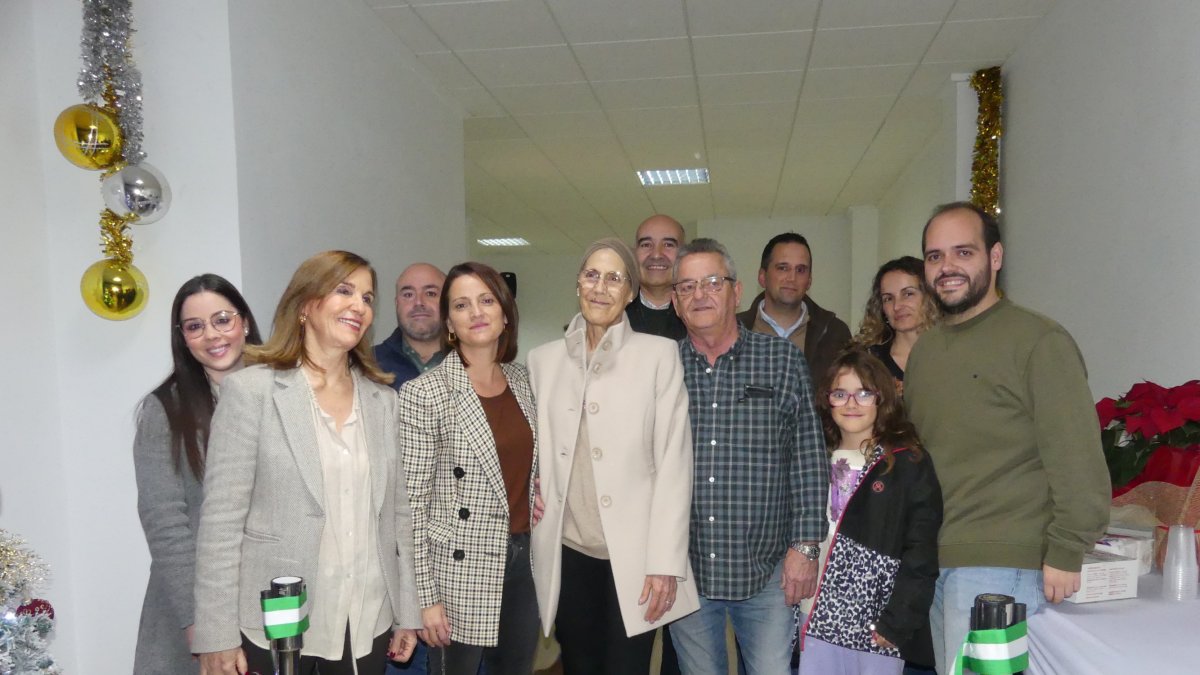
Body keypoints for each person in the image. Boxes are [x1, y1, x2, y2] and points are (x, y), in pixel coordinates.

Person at [903, 202, 1110, 673]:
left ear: (995, 257)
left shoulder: (1038, 341)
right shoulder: (926, 350)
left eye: (963, 252)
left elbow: (1076, 456)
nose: (947, 267)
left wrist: (1067, 548)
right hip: (936, 561)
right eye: (934, 257)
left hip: (1002, 566)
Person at [193, 250, 421, 675]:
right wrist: (215, 635)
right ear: (305, 305)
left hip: (366, 617)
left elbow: (399, 517)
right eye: (344, 291)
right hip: (277, 621)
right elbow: (221, 525)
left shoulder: (382, 401)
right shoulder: (252, 393)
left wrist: (408, 610)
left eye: (368, 298)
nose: (359, 305)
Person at [527, 238, 699, 674]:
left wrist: (664, 564)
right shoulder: (541, 361)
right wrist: (530, 487)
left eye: (614, 278)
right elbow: (530, 447)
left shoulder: (658, 356)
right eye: (591, 275)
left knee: (626, 667)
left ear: (629, 294)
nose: (600, 288)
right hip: (567, 552)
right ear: (578, 285)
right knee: (580, 666)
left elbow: (674, 465)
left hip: (635, 558)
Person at [667, 238, 829, 675]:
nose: (700, 295)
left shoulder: (781, 361)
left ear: (736, 293)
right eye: (687, 287)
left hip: (768, 573)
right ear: (676, 303)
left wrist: (805, 548)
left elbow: (808, 459)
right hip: (687, 571)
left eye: (712, 282)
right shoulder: (663, 368)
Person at [399, 262, 539, 675]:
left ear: (504, 312)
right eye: (461, 305)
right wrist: (426, 598)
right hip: (458, 571)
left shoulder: (525, 380)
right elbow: (411, 507)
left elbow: (531, 461)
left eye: (486, 300)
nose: (476, 312)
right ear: (450, 323)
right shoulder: (425, 393)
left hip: (524, 560)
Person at [133, 274, 262, 675]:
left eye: (222, 319)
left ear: (243, 322)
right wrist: (198, 622)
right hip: (196, 604)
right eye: (195, 326)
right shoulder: (164, 410)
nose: (212, 335)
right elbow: (166, 524)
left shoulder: (283, 394)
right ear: (183, 338)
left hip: (270, 599)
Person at [798, 349, 942, 675]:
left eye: (864, 393)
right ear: (827, 400)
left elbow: (920, 552)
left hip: (876, 620)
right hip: (815, 607)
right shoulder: (813, 458)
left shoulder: (907, 463)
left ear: (882, 399)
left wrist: (899, 619)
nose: (851, 403)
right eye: (840, 394)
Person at [737, 232, 851, 381]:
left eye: (801, 270)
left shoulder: (835, 333)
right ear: (762, 277)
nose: (792, 278)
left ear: (809, 281)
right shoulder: (734, 329)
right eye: (783, 268)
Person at [853, 256, 939, 387]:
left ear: (930, 296)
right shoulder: (868, 362)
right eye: (888, 298)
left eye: (908, 294)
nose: (897, 306)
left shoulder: (951, 355)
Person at [376, 263, 449, 391]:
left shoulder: (471, 360)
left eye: (430, 293)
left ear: (448, 302)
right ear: (396, 304)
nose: (418, 302)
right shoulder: (369, 365)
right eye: (408, 295)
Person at [625, 214, 688, 340]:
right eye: (646, 245)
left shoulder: (699, 313)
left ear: (684, 255)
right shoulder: (614, 316)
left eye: (668, 245)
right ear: (634, 254)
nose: (656, 255)